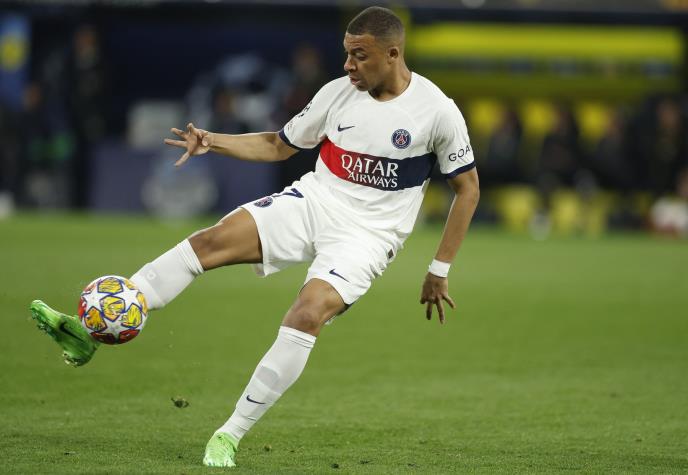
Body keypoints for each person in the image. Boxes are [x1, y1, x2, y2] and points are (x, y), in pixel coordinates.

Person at [30, 6, 479, 468]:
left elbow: (467, 189)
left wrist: (439, 268)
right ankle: (89, 334)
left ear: (393, 53)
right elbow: (278, 145)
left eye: (359, 56)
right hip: (314, 202)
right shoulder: (337, 93)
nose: (348, 65)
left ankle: (229, 434)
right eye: (346, 54)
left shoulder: (437, 111)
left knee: (307, 314)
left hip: (366, 237)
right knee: (209, 242)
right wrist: (212, 140)